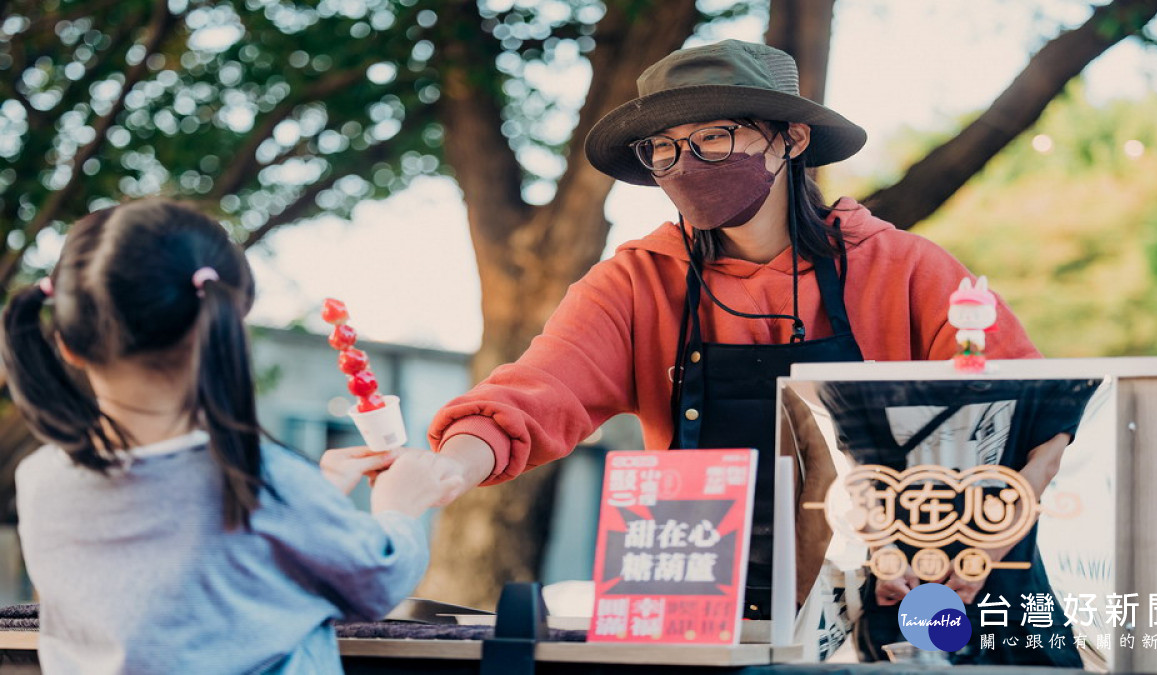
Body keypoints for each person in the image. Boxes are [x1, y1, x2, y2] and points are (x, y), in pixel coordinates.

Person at [417, 39, 1041, 623]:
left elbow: (1036, 416)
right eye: (664, 147)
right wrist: (446, 468)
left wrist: (971, 546)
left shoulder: (904, 268)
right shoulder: (637, 283)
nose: (684, 163)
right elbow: (533, 393)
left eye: (712, 138)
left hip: (888, 595)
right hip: (691, 601)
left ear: (791, 139)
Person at [0, 199, 462, 674]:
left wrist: (317, 494)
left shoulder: (40, 481)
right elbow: (375, 582)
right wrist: (398, 509)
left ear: (70, 345)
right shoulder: (268, 483)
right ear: (221, 328)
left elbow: (187, 567)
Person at [817, 378, 1101, 666]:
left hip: (906, 586)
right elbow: (1042, 469)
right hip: (1003, 583)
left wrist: (886, 556)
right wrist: (983, 557)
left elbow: (863, 481)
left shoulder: (857, 376)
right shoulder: (1043, 376)